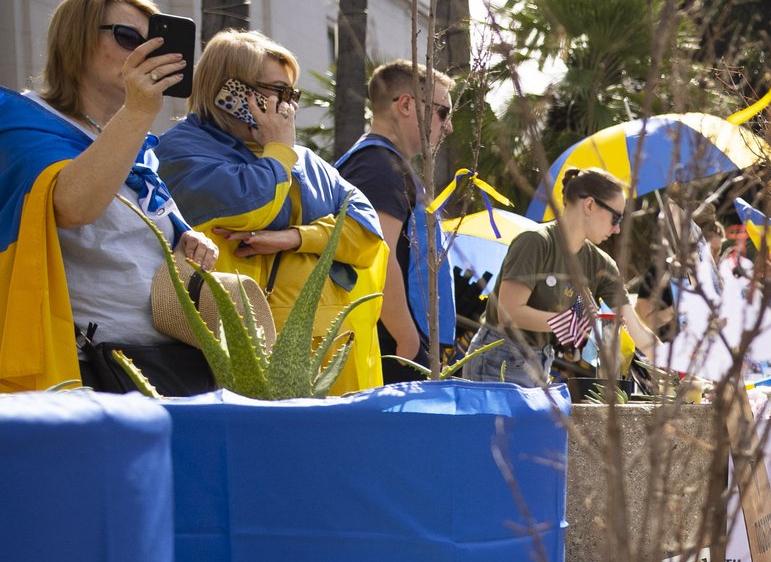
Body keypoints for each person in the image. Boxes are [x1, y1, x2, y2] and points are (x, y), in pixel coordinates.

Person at [0, 0, 220, 394]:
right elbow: (74, 206)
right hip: (87, 368)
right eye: (128, 38)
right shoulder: (19, 118)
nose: (144, 53)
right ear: (76, 41)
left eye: (154, 44)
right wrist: (138, 111)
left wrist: (187, 237)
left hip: (167, 361)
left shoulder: (135, 143)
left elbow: (141, 227)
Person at [159, 29, 387, 392]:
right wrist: (279, 149)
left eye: (291, 95)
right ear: (227, 88)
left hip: (332, 353)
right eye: (276, 92)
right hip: (243, 357)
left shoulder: (306, 161)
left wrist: (295, 237)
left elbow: (367, 233)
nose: (287, 108)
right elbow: (251, 207)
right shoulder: (179, 152)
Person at [471, 166, 648, 393]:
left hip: (541, 363)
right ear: (590, 205)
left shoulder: (601, 264)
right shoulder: (535, 242)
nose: (617, 229)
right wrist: (566, 323)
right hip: (498, 360)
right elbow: (508, 313)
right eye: (616, 218)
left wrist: (675, 364)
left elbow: (636, 330)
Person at [334, 59, 453, 369]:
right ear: (406, 105)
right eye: (444, 113)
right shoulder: (378, 165)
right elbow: (378, 255)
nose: (449, 126)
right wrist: (408, 339)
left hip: (392, 342)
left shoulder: (381, 163)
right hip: (390, 347)